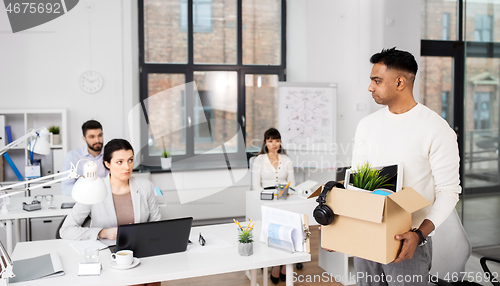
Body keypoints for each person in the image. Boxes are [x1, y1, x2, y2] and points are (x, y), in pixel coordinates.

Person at [350, 47, 461, 285]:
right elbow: (356, 185)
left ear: (400, 82)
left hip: (406, 241)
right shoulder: (367, 126)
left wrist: (419, 235)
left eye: (377, 81)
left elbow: (449, 192)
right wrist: (341, 225)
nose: (370, 87)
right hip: (366, 235)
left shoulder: (436, 129)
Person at [59, 138, 161, 241]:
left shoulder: (145, 187)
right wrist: (103, 233)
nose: (127, 167)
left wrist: (139, 231)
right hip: (105, 250)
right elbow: (66, 230)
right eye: (120, 162)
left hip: (139, 247)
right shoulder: (93, 189)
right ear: (107, 164)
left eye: (130, 160)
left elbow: (157, 225)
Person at [251, 127, 295, 284]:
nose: (274, 144)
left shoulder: (287, 159)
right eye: (270, 141)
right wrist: (270, 196)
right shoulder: (259, 160)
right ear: (265, 142)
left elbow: (292, 184)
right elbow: (256, 186)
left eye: (277, 140)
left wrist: (286, 193)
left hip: (284, 201)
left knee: (290, 227)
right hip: (266, 201)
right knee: (277, 229)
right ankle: (277, 265)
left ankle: (284, 265)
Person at [61, 120, 108, 196]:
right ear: (84, 139)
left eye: (100, 135)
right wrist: (88, 192)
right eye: (92, 137)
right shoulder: (72, 156)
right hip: (83, 198)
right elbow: (66, 188)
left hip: (106, 198)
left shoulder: (111, 154)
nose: (97, 140)